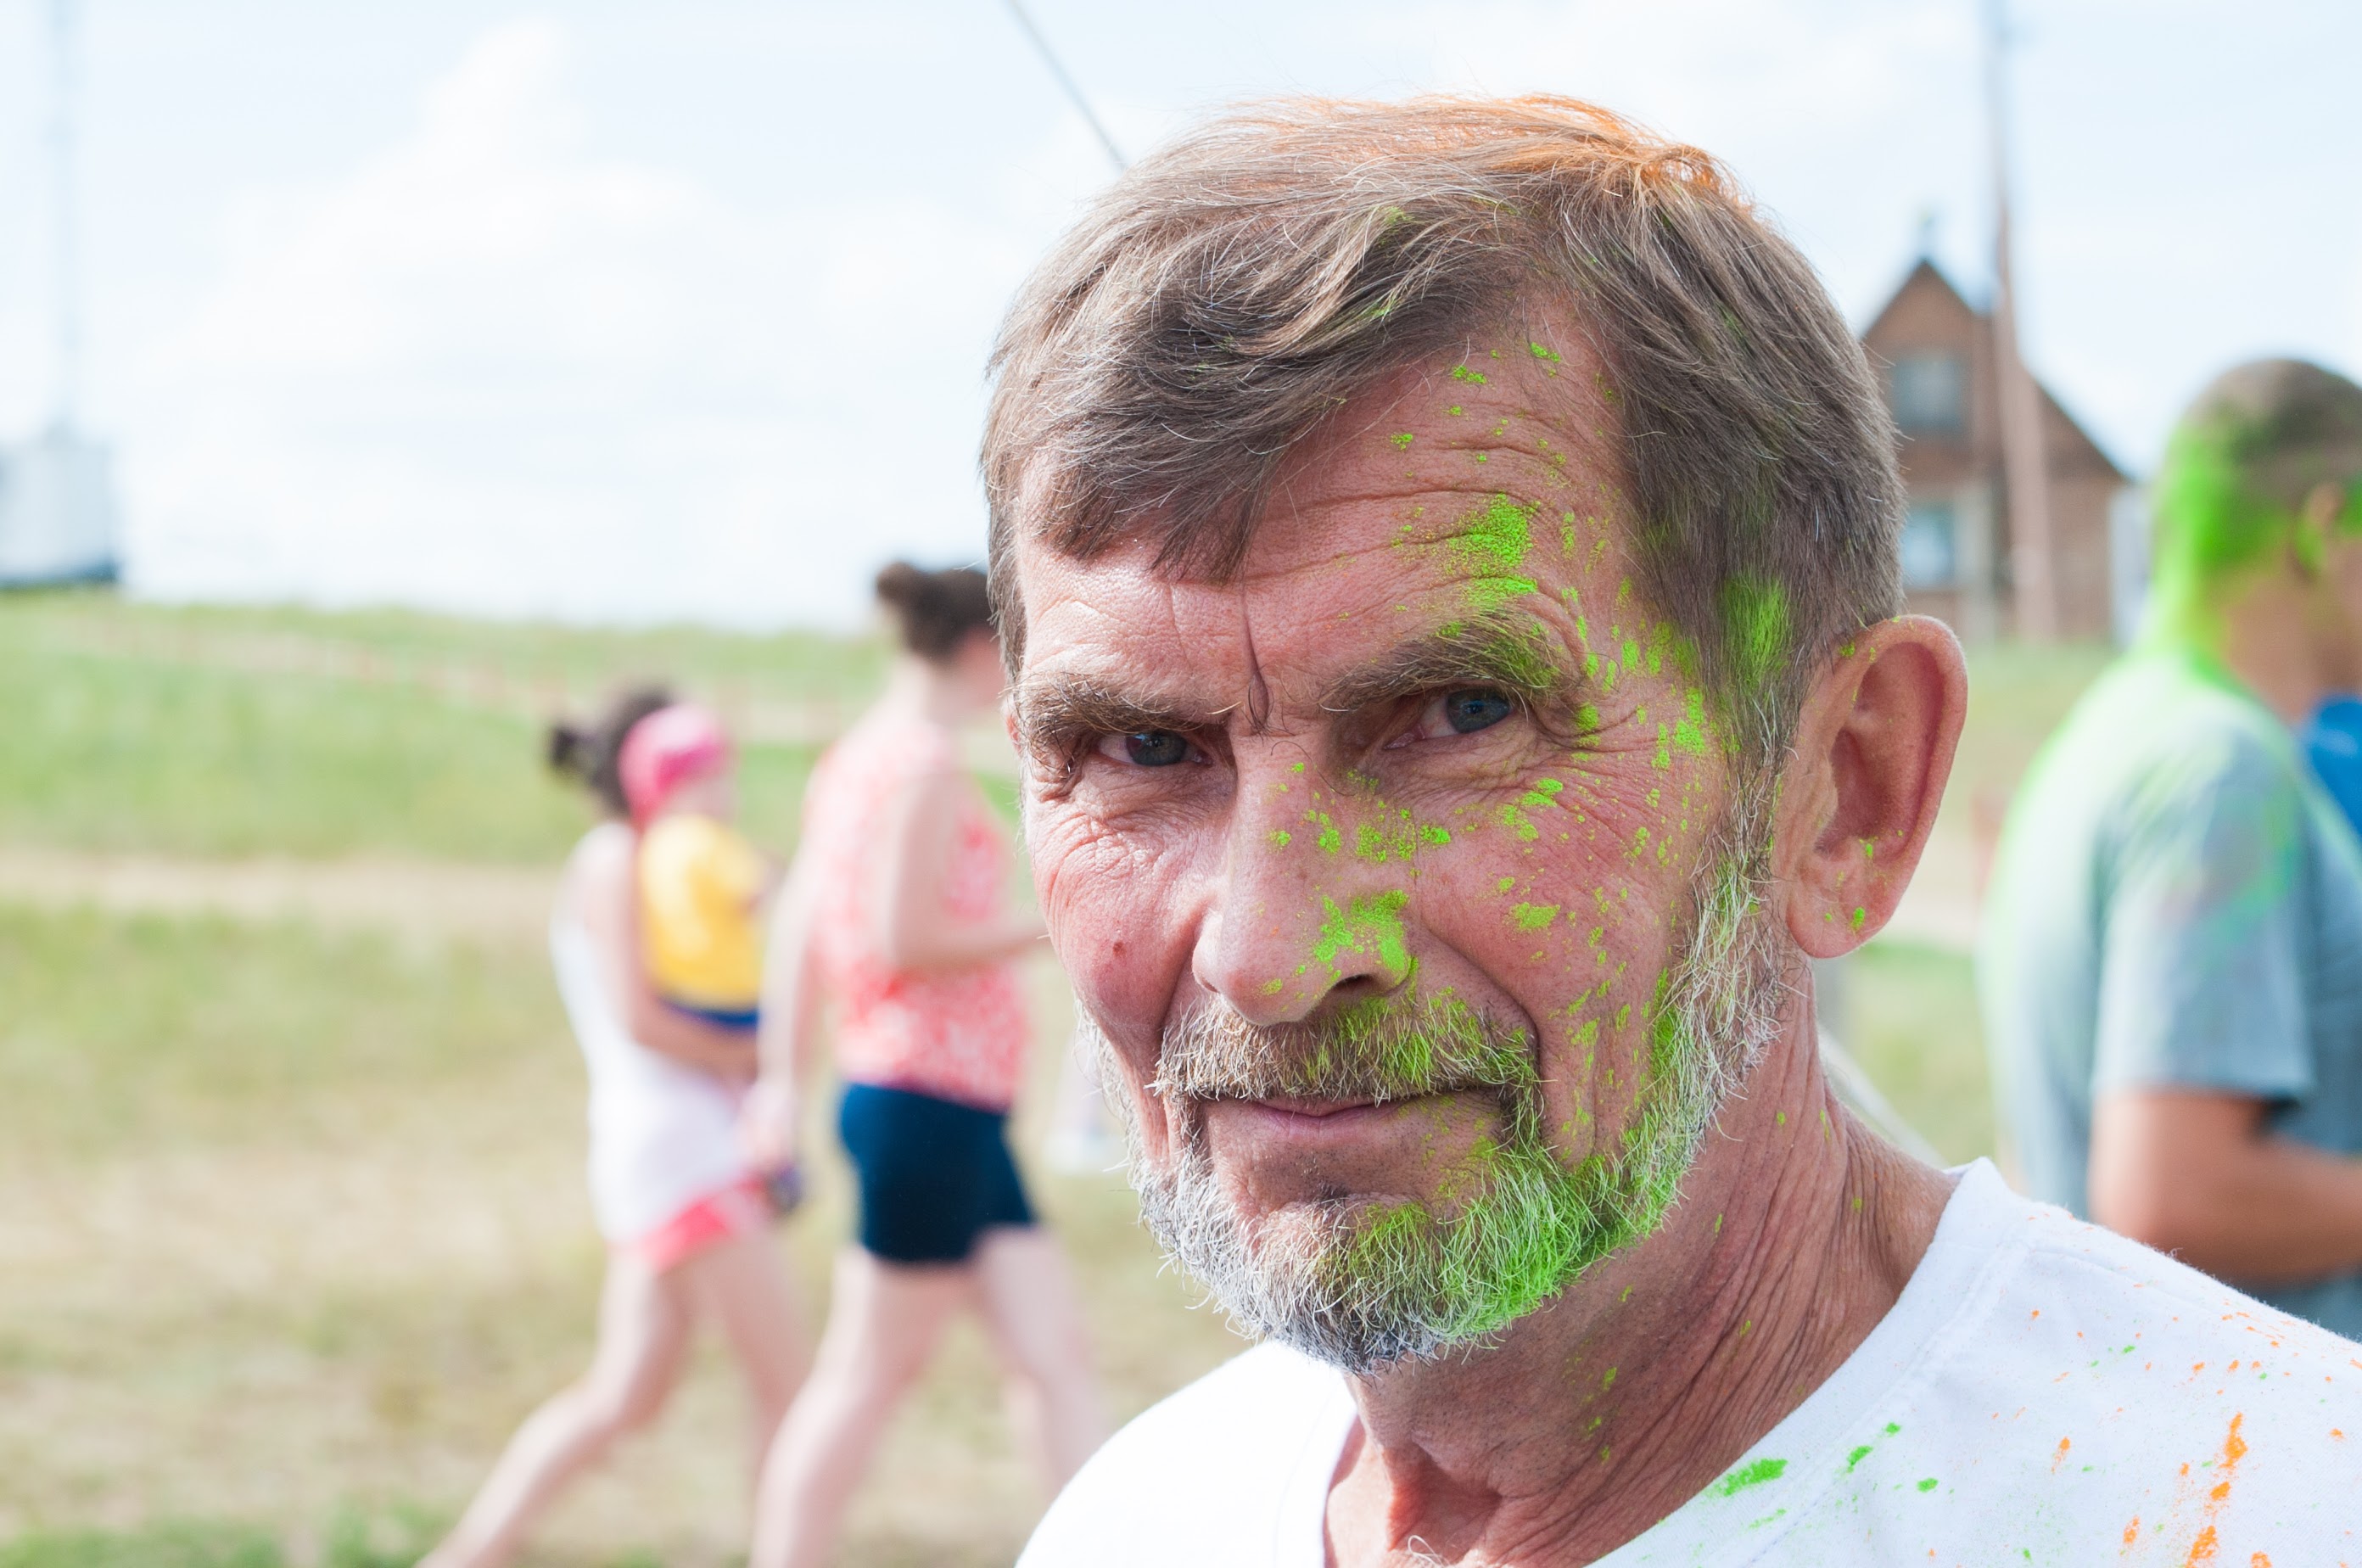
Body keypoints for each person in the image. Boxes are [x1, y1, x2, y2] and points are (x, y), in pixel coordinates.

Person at [969, 98, 2362, 1566]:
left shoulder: (2261, 1512)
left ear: (1846, 790)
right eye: (1139, 748)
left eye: (1458, 715)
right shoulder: (1136, 1521)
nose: (1265, 956)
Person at [1983, 360, 2362, 1338]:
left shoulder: (2102, 737)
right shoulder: (2219, 771)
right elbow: (2172, 1193)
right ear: (2325, 530)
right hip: (2258, 1421)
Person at [742, 563, 1109, 1568]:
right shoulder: (922, 772)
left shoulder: (853, 762)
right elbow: (901, 937)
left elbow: (805, 933)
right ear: (978, 649)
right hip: (924, 1098)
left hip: (946, 1104)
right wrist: (1052, 927)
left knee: (1050, 1353)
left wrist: (782, 1080)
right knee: (865, 1374)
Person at [421, 689, 809, 1568]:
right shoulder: (614, 860)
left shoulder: (662, 858)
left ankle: (469, 1555)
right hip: (683, 1150)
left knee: (627, 1394)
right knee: (786, 1385)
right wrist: (761, 1050)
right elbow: (642, 1019)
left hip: (665, 1148)